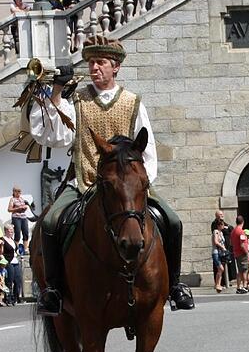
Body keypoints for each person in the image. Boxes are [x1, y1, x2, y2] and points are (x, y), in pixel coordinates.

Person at [27, 36, 194, 314]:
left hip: (127, 185)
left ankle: (175, 286)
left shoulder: (133, 102)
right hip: (84, 180)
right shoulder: (77, 100)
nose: (94, 68)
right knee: (51, 222)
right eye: (91, 63)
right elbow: (55, 136)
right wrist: (56, 91)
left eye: (101, 63)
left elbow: (148, 147)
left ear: (115, 67)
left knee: (173, 221)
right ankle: (53, 291)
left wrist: (141, 183)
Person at [2, 224, 22, 305]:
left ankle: (16, 297)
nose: (11, 232)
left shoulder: (12, 240)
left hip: (15, 261)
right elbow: (1, 251)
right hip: (8, 262)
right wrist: (3, 261)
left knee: (18, 280)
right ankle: (8, 298)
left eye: (12, 231)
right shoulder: (3, 239)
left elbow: (15, 250)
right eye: (10, 231)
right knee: (9, 280)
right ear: (6, 231)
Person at [7, 186, 31, 252]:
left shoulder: (22, 199)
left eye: (20, 191)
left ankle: (26, 248)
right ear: (14, 192)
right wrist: (18, 209)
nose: (19, 193)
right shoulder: (12, 199)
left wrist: (25, 207)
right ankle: (16, 249)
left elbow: (25, 206)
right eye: (18, 191)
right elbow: (9, 209)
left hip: (23, 217)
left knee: (26, 232)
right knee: (17, 233)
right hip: (16, 217)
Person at [231, 216, 249, 294]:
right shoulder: (241, 231)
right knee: (244, 270)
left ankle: (238, 287)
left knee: (239, 271)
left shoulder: (233, 231)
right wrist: (246, 252)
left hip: (236, 253)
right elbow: (242, 245)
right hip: (242, 253)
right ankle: (244, 286)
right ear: (243, 222)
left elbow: (231, 243)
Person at [211, 218, 227, 292]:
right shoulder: (216, 232)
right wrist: (222, 247)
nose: (223, 226)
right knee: (221, 269)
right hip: (216, 253)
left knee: (220, 269)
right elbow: (216, 242)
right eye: (223, 225)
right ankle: (217, 284)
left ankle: (218, 285)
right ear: (219, 225)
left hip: (220, 253)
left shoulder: (221, 232)